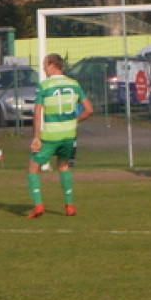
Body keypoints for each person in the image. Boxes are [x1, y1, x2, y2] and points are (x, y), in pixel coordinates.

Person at [26, 54, 93, 218]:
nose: (43, 68)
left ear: (51, 65)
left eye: (44, 65)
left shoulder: (44, 86)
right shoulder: (74, 84)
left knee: (33, 168)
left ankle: (38, 205)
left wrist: (36, 136)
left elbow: (37, 113)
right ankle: (69, 206)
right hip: (69, 134)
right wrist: (74, 121)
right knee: (63, 166)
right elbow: (89, 110)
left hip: (51, 134)